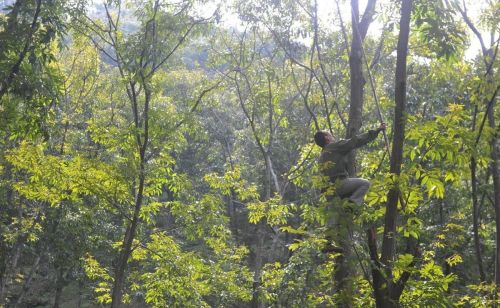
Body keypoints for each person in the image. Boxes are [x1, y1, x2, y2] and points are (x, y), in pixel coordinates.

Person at [314, 123, 386, 205]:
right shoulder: (333, 147)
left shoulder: (322, 156)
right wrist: (377, 131)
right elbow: (355, 141)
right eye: (330, 134)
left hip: (329, 193)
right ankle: (352, 205)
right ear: (326, 138)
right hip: (339, 185)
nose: (332, 136)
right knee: (365, 183)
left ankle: (348, 207)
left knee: (341, 213)